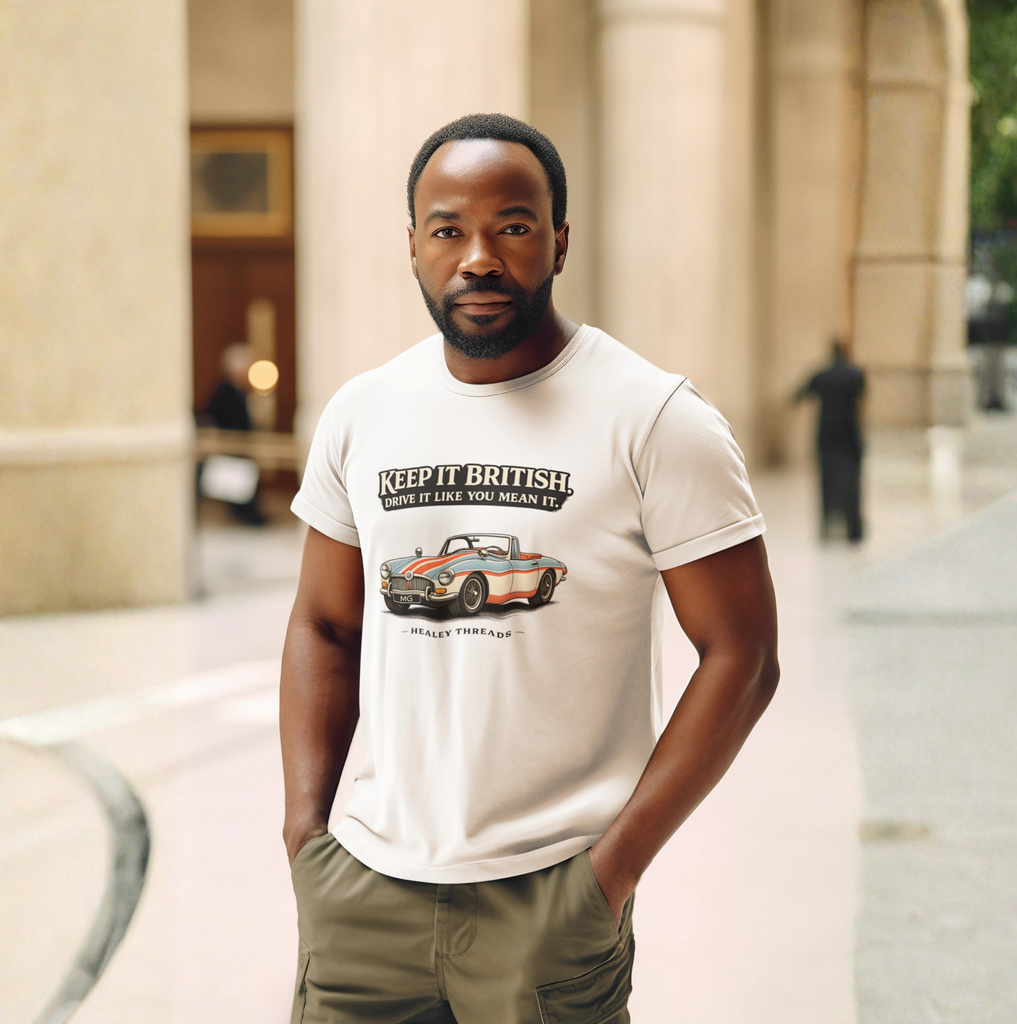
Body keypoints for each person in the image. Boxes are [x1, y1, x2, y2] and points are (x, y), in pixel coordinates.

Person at [281, 113, 779, 1024]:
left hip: (549, 899)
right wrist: (305, 834)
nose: (478, 257)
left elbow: (742, 656)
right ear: (413, 246)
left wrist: (611, 871)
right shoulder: (363, 412)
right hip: (362, 895)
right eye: (448, 229)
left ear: (557, 241)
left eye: (511, 226)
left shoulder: (655, 417)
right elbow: (326, 623)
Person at [795, 339, 866, 543]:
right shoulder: (855, 374)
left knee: (828, 480)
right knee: (852, 480)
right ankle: (853, 528)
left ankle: (828, 525)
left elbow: (799, 395)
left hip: (827, 434)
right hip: (850, 433)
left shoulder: (822, 375)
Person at [202, 343, 266, 525]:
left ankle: (248, 513)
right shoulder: (225, 391)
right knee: (236, 484)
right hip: (233, 445)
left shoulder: (238, 390)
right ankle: (244, 514)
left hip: (241, 445)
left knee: (244, 482)